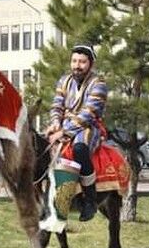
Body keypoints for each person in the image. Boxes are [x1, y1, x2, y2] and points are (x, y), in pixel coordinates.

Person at [47, 45, 109, 221]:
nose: (77, 65)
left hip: (88, 126)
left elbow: (89, 113)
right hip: (64, 124)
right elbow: (57, 105)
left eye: (82, 62)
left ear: (90, 64)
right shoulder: (64, 81)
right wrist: (55, 123)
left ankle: (90, 199)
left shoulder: (99, 83)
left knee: (80, 149)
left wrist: (65, 132)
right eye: (74, 61)